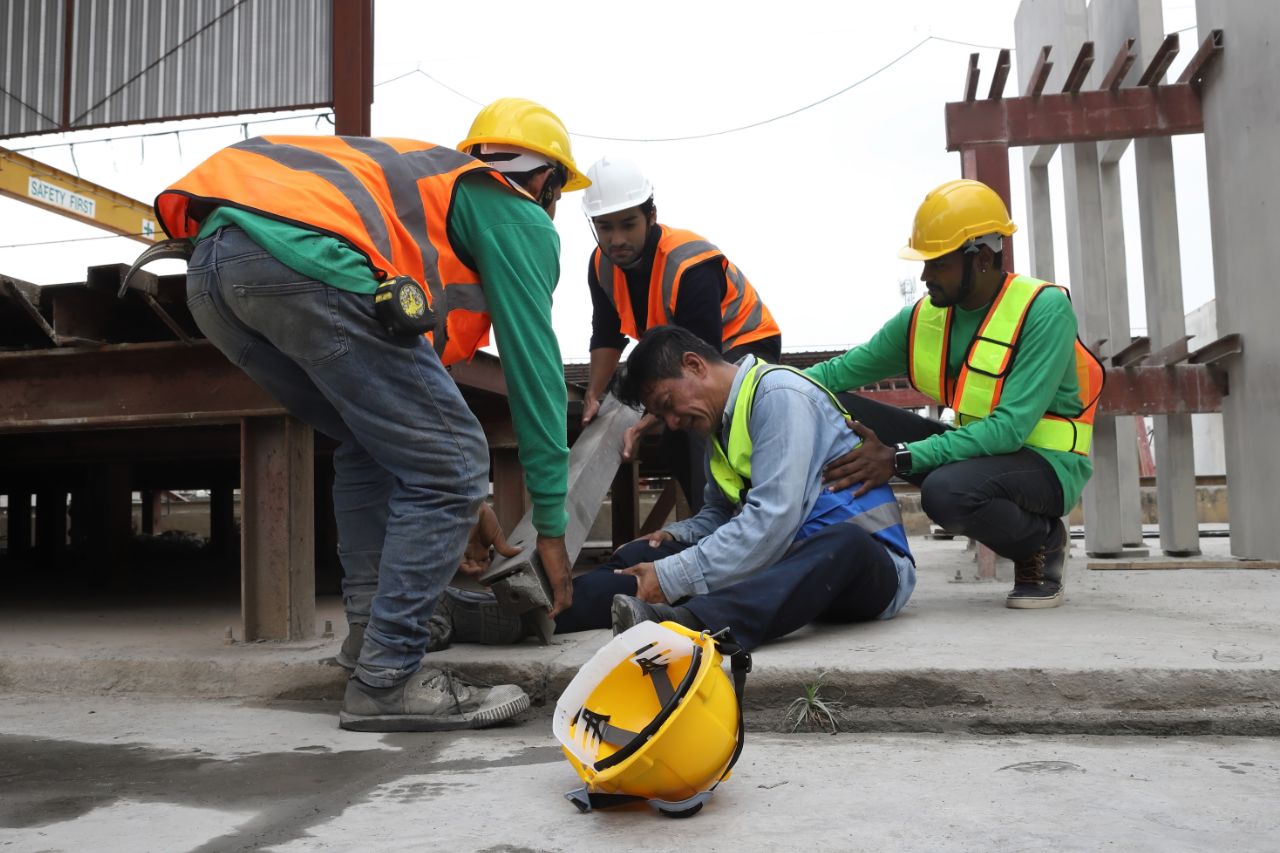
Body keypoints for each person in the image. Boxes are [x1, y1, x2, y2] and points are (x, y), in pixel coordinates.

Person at [155, 97, 589, 731]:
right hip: (301, 260)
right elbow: (536, 371)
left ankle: (370, 647)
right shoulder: (514, 211)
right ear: (546, 182)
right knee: (456, 460)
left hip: (215, 271)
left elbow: (409, 419)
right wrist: (551, 527)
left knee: (369, 445)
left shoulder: (428, 203)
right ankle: (389, 678)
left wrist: (469, 503)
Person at [805, 178, 1104, 610]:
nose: (924, 275)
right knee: (833, 405)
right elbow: (836, 373)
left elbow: (1009, 430)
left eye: (937, 264)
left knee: (945, 493)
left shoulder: (1044, 310)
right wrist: (754, 386)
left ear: (981, 258)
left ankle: (1040, 542)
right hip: (979, 454)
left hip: (1045, 466)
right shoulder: (925, 318)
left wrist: (898, 457)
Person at [554, 326, 916, 651]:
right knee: (640, 556)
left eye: (667, 406)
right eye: (662, 417)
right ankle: (545, 611)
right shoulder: (720, 425)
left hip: (867, 568)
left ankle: (690, 623)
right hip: (782, 561)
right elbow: (720, 515)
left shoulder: (780, 395)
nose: (673, 422)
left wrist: (673, 576)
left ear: (695, 365)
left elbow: (773, 520)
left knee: (845, 543)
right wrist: (676, 535)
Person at [578, 157, 781, 510]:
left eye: (628, 225)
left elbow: (698, 367)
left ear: (651, 215)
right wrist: (594, 394)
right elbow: (607, 333)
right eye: (605, 227)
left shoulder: (690, 263)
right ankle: (710, 523)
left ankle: (738, 524)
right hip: (680, 356)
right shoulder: (601, 266)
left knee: (699, 425)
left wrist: (641, 426)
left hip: (742, 345)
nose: (617, 239)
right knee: (675, 442)